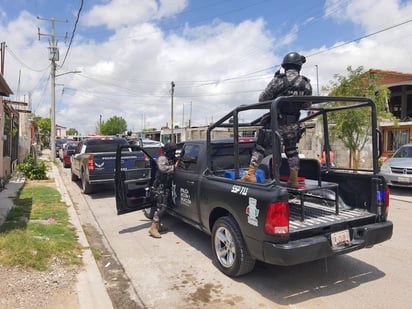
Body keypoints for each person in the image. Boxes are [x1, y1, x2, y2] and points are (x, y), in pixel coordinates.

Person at [242, 52, 312, 187]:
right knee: (292, 150)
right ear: (299, 67)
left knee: (261, 146)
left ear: (285, 66)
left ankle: (250, 175)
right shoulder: (306, 84)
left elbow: (262, 99)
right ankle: (293, 179)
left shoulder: (279, 80)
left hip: (276, 123)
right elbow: (307, 105)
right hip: (293, 124)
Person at [149, 143, 178, 238]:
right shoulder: (162, 159)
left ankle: (158, 226)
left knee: (164, 206)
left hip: (166, 186)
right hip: (160, 187)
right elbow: (164, 169)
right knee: (161, 207)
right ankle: (153, 228)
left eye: (174, 151)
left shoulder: (171, 158)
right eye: (172, 151)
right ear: (167, 151)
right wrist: (175, 166)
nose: (173, 153)